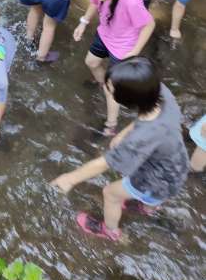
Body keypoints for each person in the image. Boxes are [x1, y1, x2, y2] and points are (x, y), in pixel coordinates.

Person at [51, 57, 190, 241]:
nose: (108, 89)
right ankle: (147, 208)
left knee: (110, 193)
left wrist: (70, 179)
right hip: (177, 166)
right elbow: (144, 117)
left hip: (154, 181)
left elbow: (105, 163)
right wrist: (125, 132)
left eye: (112, 88)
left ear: (129, 100)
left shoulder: (140, 139)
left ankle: (110, 231)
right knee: (152, 197)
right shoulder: (162, 94)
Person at [73, 0, 155, 135]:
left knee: (111, 88)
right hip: (105, 34)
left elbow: (149, 25)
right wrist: (83, 22)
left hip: (123, 47)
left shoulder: (131, 1)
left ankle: (111, 125)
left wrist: (135, 51)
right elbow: (94, 2)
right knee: (91, 62)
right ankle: (103, 84)